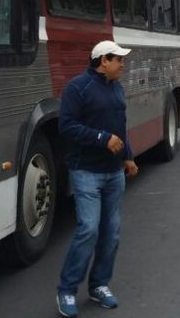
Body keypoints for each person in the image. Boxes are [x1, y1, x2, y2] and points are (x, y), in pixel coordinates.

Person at [56, 41, 139, 317]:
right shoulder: (77, 88)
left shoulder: (116, 87)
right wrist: (101, 139)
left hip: (114, 172)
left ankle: (99, 285)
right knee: (88, 230)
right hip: (86, 172)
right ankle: (67, 290)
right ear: (104, 60)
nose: (123, 65)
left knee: (111, 234)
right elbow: (66, 126)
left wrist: (127, 156)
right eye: (119, 60)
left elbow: (121, 126)